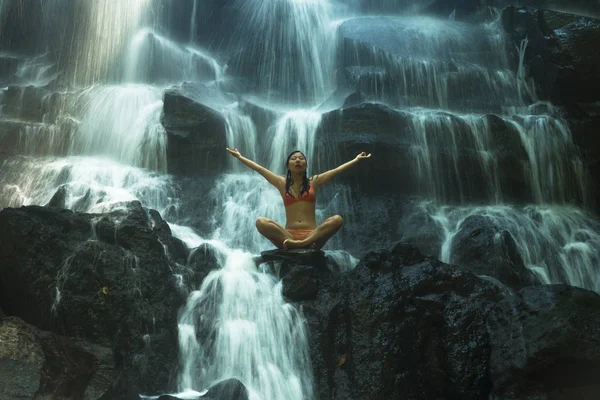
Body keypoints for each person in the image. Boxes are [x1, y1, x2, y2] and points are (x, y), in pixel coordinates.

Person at [225, 147, 372, 250]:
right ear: (288, 165)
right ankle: (298, 244)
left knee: (337, 219)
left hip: (313, 236)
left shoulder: (314, 181)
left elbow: (337, 170)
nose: (298, 160)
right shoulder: (281, 183)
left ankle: (303, 243)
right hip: (288, 236)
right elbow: (259, 169)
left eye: (301, 158)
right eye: (294, 158)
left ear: (306, 164)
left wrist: (356, 160)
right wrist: (239, 157)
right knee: (260, 222)